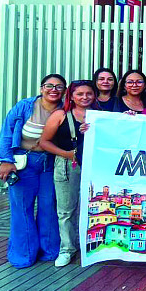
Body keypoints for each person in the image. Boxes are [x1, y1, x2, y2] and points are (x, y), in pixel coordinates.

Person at [0, 74, 65, 268]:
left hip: (51, 163)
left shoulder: (66, 109)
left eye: (59, 87)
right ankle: (23, 254)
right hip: (23, 163)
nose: (53, 90)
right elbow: (7, 132)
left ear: (64, 91)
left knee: (49, 206)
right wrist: (5, 160)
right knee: (22, 208)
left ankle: (49, 250)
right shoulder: (25, 106)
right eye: (49, 86)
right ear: (41, 88)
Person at [38, 80, 96, 267]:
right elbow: (44, 142)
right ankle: (67, 249)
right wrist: (67, 154)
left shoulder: (100, 115)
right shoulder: (60, 115)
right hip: (67, 164)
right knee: (66, 210)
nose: (84, 97)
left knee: (93, 208)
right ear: (71, 96)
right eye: (80, 94)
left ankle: (90, 247)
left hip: (94, 165)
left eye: (89, 93)